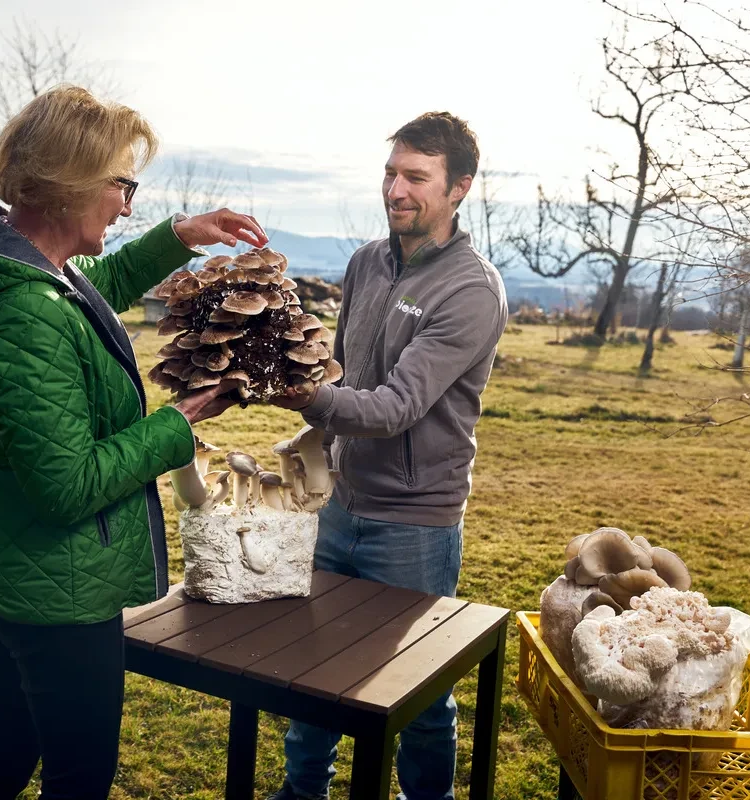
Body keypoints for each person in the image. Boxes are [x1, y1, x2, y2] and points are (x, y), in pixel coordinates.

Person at [0, 84, 266, 799]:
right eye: (122, 184)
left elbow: (89, 286)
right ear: (71, 186)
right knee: (77, 778)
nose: (128, 203)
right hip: (51, 590)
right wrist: (183, 420)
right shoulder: (25, 314)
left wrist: (181, 235)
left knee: (7, 750)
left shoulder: (29, 278)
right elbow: (66, 485)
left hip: (8, 563)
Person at [269, 112, 508, 800]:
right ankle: (303, 790)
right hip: (339, 504)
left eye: (416, 177)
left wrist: (302, 398)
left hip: (414, 523)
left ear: (459, 187)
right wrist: (314, 438)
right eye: (390, 172)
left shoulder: (470, 289)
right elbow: (342, 369)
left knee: (421, 691)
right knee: (309, 667)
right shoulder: (367, 261)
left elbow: (397, 406)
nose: (396, 189)